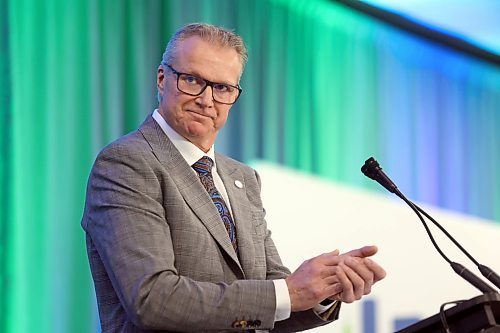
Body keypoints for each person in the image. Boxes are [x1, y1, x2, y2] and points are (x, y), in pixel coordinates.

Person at [82, 23, 386, 333]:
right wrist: (290, 291)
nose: (206, 99)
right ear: (162, 79)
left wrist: (323, 289)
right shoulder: (126, 163)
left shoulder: (242, 177)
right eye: (192, 80)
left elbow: (270, 300)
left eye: (222, 88)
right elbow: (153, 298)